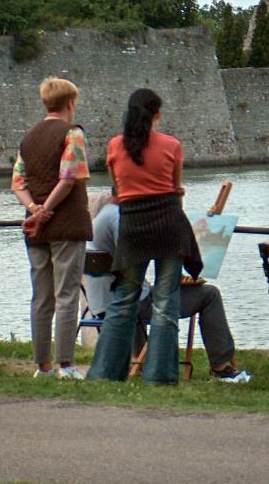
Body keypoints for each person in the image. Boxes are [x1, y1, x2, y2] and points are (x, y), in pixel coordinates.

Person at [87, 88, 202, 385]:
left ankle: (105, 374)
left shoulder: (114, 146)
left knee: (124, 298)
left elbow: (119, 191)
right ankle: (161, 376)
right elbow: (176, 190)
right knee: (166, 302)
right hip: (168, 226)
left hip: (133, 227)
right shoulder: (172, 145)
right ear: (156, 114)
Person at [85, 191, 247, 382]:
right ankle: (220, 366)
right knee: (209, 294)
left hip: (100, 303)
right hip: (128, 302)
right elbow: (133, 257)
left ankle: (141, 361)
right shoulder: (118, 218)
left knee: (149, 292)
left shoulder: (103, 216)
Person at [11, 77, 92, 380]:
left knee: (41, 297)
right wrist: (48, 209)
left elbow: (18, 182)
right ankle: (67, 365)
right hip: (66, 224)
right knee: (67, 294)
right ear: (70, 103)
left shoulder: (28, 138)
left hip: (34, 229)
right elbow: (69, 177)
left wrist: (33, 209)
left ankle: (42, 366)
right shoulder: (72, 134)